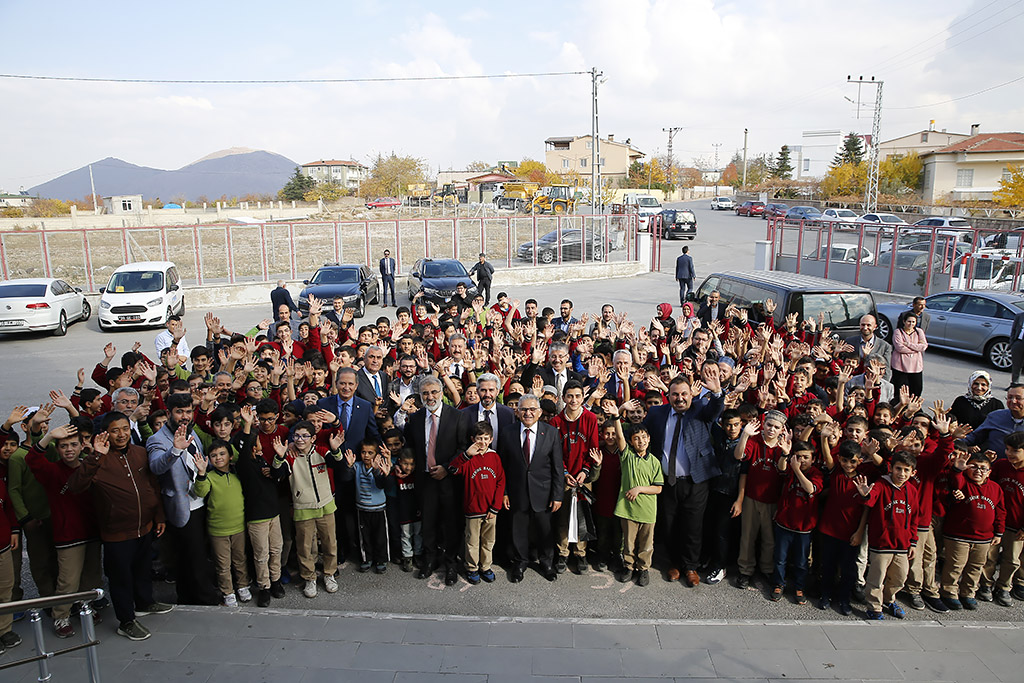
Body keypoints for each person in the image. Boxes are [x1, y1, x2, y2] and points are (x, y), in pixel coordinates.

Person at [68, 413, 172, 642]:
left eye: (125, 428)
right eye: (115, 430)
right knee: (121, 578)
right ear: (105, 433)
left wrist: (159, 515)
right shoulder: (97, 459)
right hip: (116, 533)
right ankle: (126, 621)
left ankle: (145, 603)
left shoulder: (140, 452)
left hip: (145, 527)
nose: (122, 434)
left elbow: (152, 486)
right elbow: (74, 486)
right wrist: (96, 456)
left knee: (142, 568)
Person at [644, 368, 724, 587]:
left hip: (695, 480)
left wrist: (717, 392)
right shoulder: (657, 414)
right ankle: (673, 564)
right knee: (668, 525)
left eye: (684, 394)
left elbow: (717, 408)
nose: (679, 398)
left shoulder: (701, 410)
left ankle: (690, 567)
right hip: (666, 481)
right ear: (668, 395)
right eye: (675, 394)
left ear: (691, 395)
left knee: (693, 526)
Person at [27, 423, 102, 638]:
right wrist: (48, 436)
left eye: (73, 445)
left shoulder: (90, 466)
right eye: (63, 446)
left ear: (81, 446)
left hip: (92, 531)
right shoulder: (52, 471)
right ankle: (61, 616)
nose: (69, 449)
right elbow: (32, 460)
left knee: (91, 576)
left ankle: (85, 606)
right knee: (67, 580)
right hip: (68, 535)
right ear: (57, 450)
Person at [147, 393, 221, 606]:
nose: (184, 416)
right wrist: (175, 451)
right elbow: (156, 466)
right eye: (179, 412)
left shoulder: (192, 433)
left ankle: (188, 596)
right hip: (181, 506)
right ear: (169, 413)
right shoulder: (158, 439)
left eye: (188, 411)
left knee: (196, 554)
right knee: (193, 557)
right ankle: (205, 599)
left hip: (200, 502)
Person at [403, 376, 468, 585]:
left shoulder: (457, 416)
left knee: (450, 523)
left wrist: (447, 469)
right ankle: (430, 560)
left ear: (441, 393)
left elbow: (463, 448)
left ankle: (450, 563)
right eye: (425, 393)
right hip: (425, 479)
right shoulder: (415, 418)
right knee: (428, 522)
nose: (430, 397)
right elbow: (410, 448)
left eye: (433, 392)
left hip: (449, 480)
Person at [271, 421, 344, 598]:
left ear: (313, 438)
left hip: (326, 505)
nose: (300, 439)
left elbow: (338, 467)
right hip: (303, 508)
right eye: (296, 436)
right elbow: (277, 474)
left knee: (329, 543)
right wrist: (279, 456)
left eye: (305, 436)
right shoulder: (290, 456)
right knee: (304, 547)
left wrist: (335, 450)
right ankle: (309, 578)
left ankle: (329, 574)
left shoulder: (321, 451)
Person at [497, 393, 565, 583]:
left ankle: (547, 563)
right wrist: (504, 492)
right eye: (524, 409)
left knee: (545, 530)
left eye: (532, 409)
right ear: (517, 412)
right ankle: (520, 562)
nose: (528, 413)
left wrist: (557, 495)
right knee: (518, 530)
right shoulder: (507, 432)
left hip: (543, 493)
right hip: (517, 492)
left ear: (539, 412)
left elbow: (557, 467)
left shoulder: (550, 432)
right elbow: (502, 466)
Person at [940, 451, 1005, 610]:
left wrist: (998, 532)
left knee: (976, 566)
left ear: (989, 471)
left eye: (983, 468)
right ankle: (949, 592)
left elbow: (1001, 511)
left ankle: (968, 593)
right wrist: (958, 469)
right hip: (958, 535)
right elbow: (955, 480)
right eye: (973, 467)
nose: (978, 471)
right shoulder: (962, 483)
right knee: (956, 565)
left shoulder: (995, 488)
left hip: (984, 538)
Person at [858, 450, 919, 620]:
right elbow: (870, 499)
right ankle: (874, 606)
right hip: (882, 544)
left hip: (902, 545)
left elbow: (914, 518)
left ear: (913, 472)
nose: (902, 474)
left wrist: (913, 542)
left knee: (900, 578)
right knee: (876, 579)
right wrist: (865, 494)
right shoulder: (880, 485)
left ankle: (888, 600)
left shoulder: (912, 491)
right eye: (898, 469)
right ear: (891, 468)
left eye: (906, 470)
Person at [608, 402, 662, 587]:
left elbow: (658, 488)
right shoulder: (627, 456)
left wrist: (639, 488)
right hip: (628, 509)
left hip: (647, 510)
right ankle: (629, 566)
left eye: (644, 437)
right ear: (631, 442)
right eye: (636, 438)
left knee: (646, 542)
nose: (641, 441)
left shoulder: (654, 461)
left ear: (649, 439)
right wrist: (617, 416)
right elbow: (620, 437)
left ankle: (643, 568)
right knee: (629, 542)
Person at [191, 439, 252, 606]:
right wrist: (201, 473)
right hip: (218, 530)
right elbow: (200, 492)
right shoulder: (209, 477)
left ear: (230, 456)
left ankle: (242, 585)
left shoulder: (237, 474)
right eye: (213, 455)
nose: (218, 458)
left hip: (239, 526)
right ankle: (228, 591)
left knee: (240, 559)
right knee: (222, 563)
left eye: (222, 454)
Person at [734, 410, 790, 589]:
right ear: (763, 425)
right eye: (769, 425)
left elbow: (782, 470)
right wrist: (745, 435)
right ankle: (745, 570)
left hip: (772, 500)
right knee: (747, 536)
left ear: (781, 429)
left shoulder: (784, 446)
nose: (771, 429)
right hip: (751, 497)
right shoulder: (755, 441)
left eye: (776, 427)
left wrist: (784, 454)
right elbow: (739, 455)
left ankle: (766, 569)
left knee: (769, 538)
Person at [448, 421, 505, 585]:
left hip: (490, 509)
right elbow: (453, 469)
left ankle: (486, 566)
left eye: (486, 438)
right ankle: (472, 568)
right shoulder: (468, 458)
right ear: (473, 439)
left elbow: (501, 482)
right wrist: (466, 455)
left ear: (491, 439)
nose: (482, 442)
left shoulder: (494, 457)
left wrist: (495, 507)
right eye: (479, 438)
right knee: (472, 541)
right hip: (473, 509)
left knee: (488, 541)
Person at [769, 441, 822, 605]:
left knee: (801, 561)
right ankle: (779, 584)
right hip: (784, 523)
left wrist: (797, 470)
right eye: (798, 457)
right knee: (780, 558)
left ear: (813, 459)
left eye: (806, 457)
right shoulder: (790, 469)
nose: (802, 460)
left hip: (804, 528)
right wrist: (786, 455)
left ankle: (799, 587)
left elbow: (810, 489)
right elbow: (781, 468)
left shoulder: (816, 474)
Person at [340, 438, 392, 573]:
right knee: (365, 536)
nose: (366, 456)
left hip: (379, 508)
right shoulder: (357, 466)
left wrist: (376, 471)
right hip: (362, 508)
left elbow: (381, 484)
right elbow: (346, 478)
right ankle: (366, 558)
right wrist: (349, 466)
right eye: (364, 452)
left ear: (376, 454)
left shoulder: (380, 467)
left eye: (370, 453)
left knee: (380, 536)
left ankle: (381, 559)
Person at [964, 384, 1024, 456]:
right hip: (995, 464)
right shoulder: (995, 416)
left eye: (1018, 398)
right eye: (1010, 397)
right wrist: (953, 439)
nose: (1013, 401)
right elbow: (974, 437)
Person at [0, 465, 21, 655]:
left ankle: (4, 630)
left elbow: (7, 506)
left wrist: (14, 528)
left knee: (6, 588)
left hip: (3, 545)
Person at [891, 311, 927, 398]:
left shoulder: (919, 332)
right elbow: (899, 347)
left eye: (913, 322)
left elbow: (923, 346)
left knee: (917, 389)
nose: (911, 324)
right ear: (904, 321)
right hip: (900, 366)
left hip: (915, 367)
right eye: (909, 321)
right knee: (900, 389)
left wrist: (908, 344)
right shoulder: (898, 332)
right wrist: (916, 349)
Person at [845, 315, 892, 380]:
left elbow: (887, 369)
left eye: (868, 325)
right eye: (863, 325)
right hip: (853, 381)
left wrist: (882, 385)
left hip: (874, 381)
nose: (865, 328)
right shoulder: (850, 341)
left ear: (875, 327)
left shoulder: (884, 346)